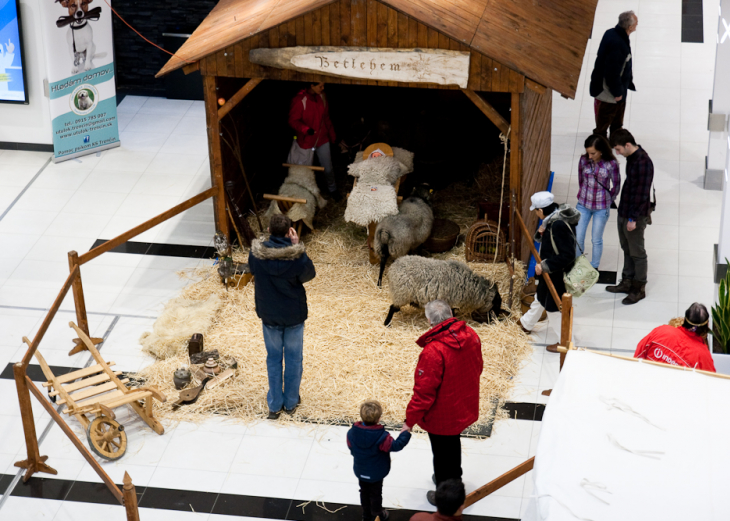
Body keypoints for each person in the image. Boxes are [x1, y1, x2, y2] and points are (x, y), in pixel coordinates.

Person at [404, 300, 483, 505]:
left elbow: (423, 393)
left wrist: (409, 420)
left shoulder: (433, 351)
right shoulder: (471, 335)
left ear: (429, 320)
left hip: (441, 414)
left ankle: (446, 493)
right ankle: (452, 481)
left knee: (441, 454)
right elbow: (478, 366)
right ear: (451, 313)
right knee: (452, 447)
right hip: (463, 403)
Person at [248, 214, 316, 419]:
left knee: (273, 358)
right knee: (294, 359)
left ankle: (275, 404)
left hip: (269, 315)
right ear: (289, 232)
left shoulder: (256, 255)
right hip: (293, 315)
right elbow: (309, 275)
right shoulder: (296, 258)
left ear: (268, 231)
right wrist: (298, 248)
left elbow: (252, 270)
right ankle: (291, 402)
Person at [520, 192, 580, 352]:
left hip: (556, 274)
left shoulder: (558, 224)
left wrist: (544, 266)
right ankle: (526, 323)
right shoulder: (554, 217)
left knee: (553, 307)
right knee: (540, 297)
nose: (536, 214)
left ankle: (567, 342)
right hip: (550, 273)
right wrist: (542, 233)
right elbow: (552, 242)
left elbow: (567, 255)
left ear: (540, 210)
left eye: (536, 211)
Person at [607, 129, 653, 305]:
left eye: (618, 149)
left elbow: (642, 194)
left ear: (627, 145)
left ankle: (638, 288)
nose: (617, 153)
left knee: (637, 252)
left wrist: (633, 219)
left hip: (634, 215)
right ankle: (627, 281)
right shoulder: (632, 159)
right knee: (626, 248)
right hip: (624, 211)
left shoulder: (643, 163)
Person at [347, 400, 412, 521]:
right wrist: (406, 432)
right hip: (377, 473)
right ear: (379, 418)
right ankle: (378, 513)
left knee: (364, 491)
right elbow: (396, 445)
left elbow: (351, 448)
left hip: (360, 470)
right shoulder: (382, 437)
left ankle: (366, 515)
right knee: (376, 493)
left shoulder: (351, 433)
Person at [589, 11, 638, 139]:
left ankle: (616, 139)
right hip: (609, 92)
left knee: (616, 119)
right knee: (605, 120)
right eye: (636, 22)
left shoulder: (612, 32)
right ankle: (601, 144)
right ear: (630, 27)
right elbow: (612, 72)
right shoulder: (618, 44)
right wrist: (617, 93)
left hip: (618, 87)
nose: (637, 24)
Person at [575, 134, 621, 269]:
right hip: (583, 204)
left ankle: (594, 266)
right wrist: (583, 193)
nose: (590, 156)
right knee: (578, 238)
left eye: (593, 153)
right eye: (588, 153)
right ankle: (578, 264)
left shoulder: (611, 164)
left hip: (601, 207)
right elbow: (580, 180)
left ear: (601, 150)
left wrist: (609, 199)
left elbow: (616, 184)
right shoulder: (583, 160)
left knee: (596, 239)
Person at [288, 82, 339, 198]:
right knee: (305, 171)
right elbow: (293, 120)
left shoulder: (322, 97)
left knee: (328, 168)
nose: (323, 88)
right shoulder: (300, 100)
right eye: (320, 86)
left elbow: (326, 118)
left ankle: (333, 190)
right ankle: (306, 195)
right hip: (306, 141)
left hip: (322, 139)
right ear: (311, 85)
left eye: (323, 85)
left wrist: (332, 136)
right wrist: (305, 129)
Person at [634, 303, 715, 372]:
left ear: (684, 320)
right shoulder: (703, 356)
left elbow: (638, 356)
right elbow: (711, 382)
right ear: (707, 325)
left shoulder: (661, 331)